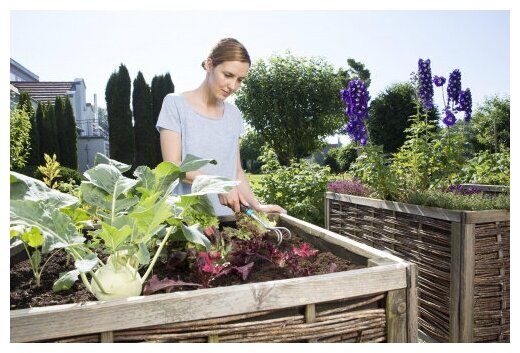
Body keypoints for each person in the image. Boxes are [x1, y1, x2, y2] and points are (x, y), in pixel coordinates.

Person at [156, 38, 286, 218]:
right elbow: (173, 166)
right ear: (210, 64)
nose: (233, 86)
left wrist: (257, 205)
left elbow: (236, 171)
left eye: (240, 80)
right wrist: (218, 184)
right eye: (228, 75)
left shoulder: (233, 115)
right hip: (185, 221)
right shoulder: (175, 104)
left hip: (226, 219)